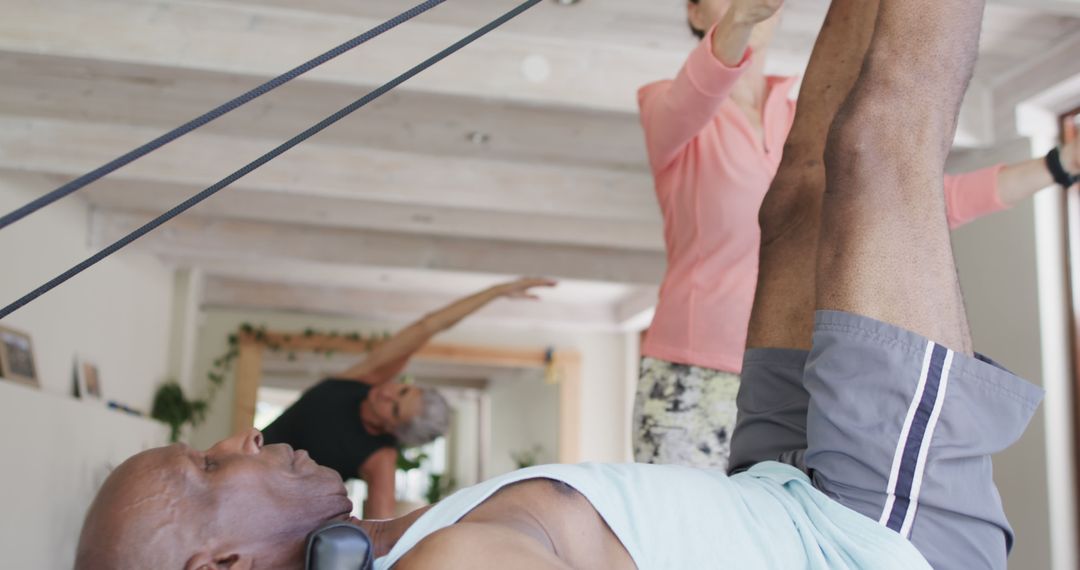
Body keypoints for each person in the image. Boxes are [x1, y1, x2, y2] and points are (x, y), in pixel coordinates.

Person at [75, 0, 1045, 568]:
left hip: (772, 488)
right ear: (221, 567)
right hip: (859, 544)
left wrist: (491, 297)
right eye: (207, 468)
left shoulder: (382, 527)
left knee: (803, 187)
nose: (241, 437)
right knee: (877, 147)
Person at [634, 0, 1077, 470]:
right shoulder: (667, 109)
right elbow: (692, 98)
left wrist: (1059, 166)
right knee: (680, 537)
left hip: (791, 368)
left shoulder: (804, 120)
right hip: (691, 375)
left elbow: (920, 201)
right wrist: (740, 18)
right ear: (696, 12)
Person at [261, 277, 555, 519]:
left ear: (394, 431)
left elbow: (378, 528)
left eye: (395, 408)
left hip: (262, 500)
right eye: (403, 389)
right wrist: (497, 291)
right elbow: (430, 325)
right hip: (242, 452)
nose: (388, 393)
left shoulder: (380, 460)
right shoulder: (367, 378)